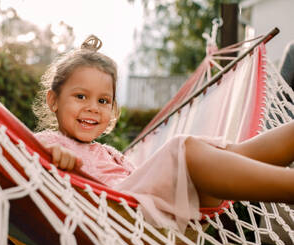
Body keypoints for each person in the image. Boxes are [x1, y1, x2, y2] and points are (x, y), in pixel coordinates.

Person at [33, 35, 294, 233]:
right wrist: (51, 156)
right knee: (184, 149)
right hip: (119, 217)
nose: (92, 107)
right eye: (80, 96)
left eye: (103, 101)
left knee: (231, 154)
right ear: (53, 100)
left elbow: (139, 177)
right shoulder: (46, 142)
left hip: (157, 207)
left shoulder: (109, 153)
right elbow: (29, 161)